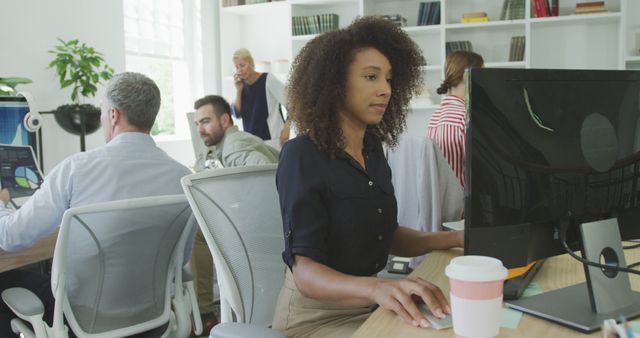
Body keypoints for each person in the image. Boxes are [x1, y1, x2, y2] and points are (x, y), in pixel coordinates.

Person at [272, 16, 464, 338]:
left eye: (389, 79)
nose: (385, 90)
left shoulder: (372, 150)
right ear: (335, 84)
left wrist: (459, 238)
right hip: (313, 321)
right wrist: (377, 288)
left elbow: (385, 236)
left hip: (368, 308)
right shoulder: (301, 155)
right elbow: (305, 272)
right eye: (371, 77)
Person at [0, 72, 192, 337]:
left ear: (113, 115)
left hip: (80, 321)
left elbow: (12, 237)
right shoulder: (184, 178)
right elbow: (181, 256)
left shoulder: (75, 170)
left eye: (102, 111)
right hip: (153, 318)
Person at [189, 94, 279, 331]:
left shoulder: (235, 146)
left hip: (269, 229)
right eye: (197, 124)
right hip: (272, 224)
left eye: (206, 121)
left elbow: (266, 180)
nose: (200, 129)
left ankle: (204, 311)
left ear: (225, 120)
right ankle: (207, 308)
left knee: (196, 232)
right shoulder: (229, 143)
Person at [426, 51, 484, 188]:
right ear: (468, 76)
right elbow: (483, 171)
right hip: (464, 205)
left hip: (441, 202)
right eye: (482, 75)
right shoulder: (465, 118)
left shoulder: (434, 117)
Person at [232, 48, 291, 148]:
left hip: (273, 141)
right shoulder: (241, 86)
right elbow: (237, 114)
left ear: (251, 63)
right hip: (251, 143)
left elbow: (292, 102)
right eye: (236, 67)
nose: (240, 70)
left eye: (242, 65)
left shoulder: (268, 79)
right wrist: (238, 90)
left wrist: (287, 127)